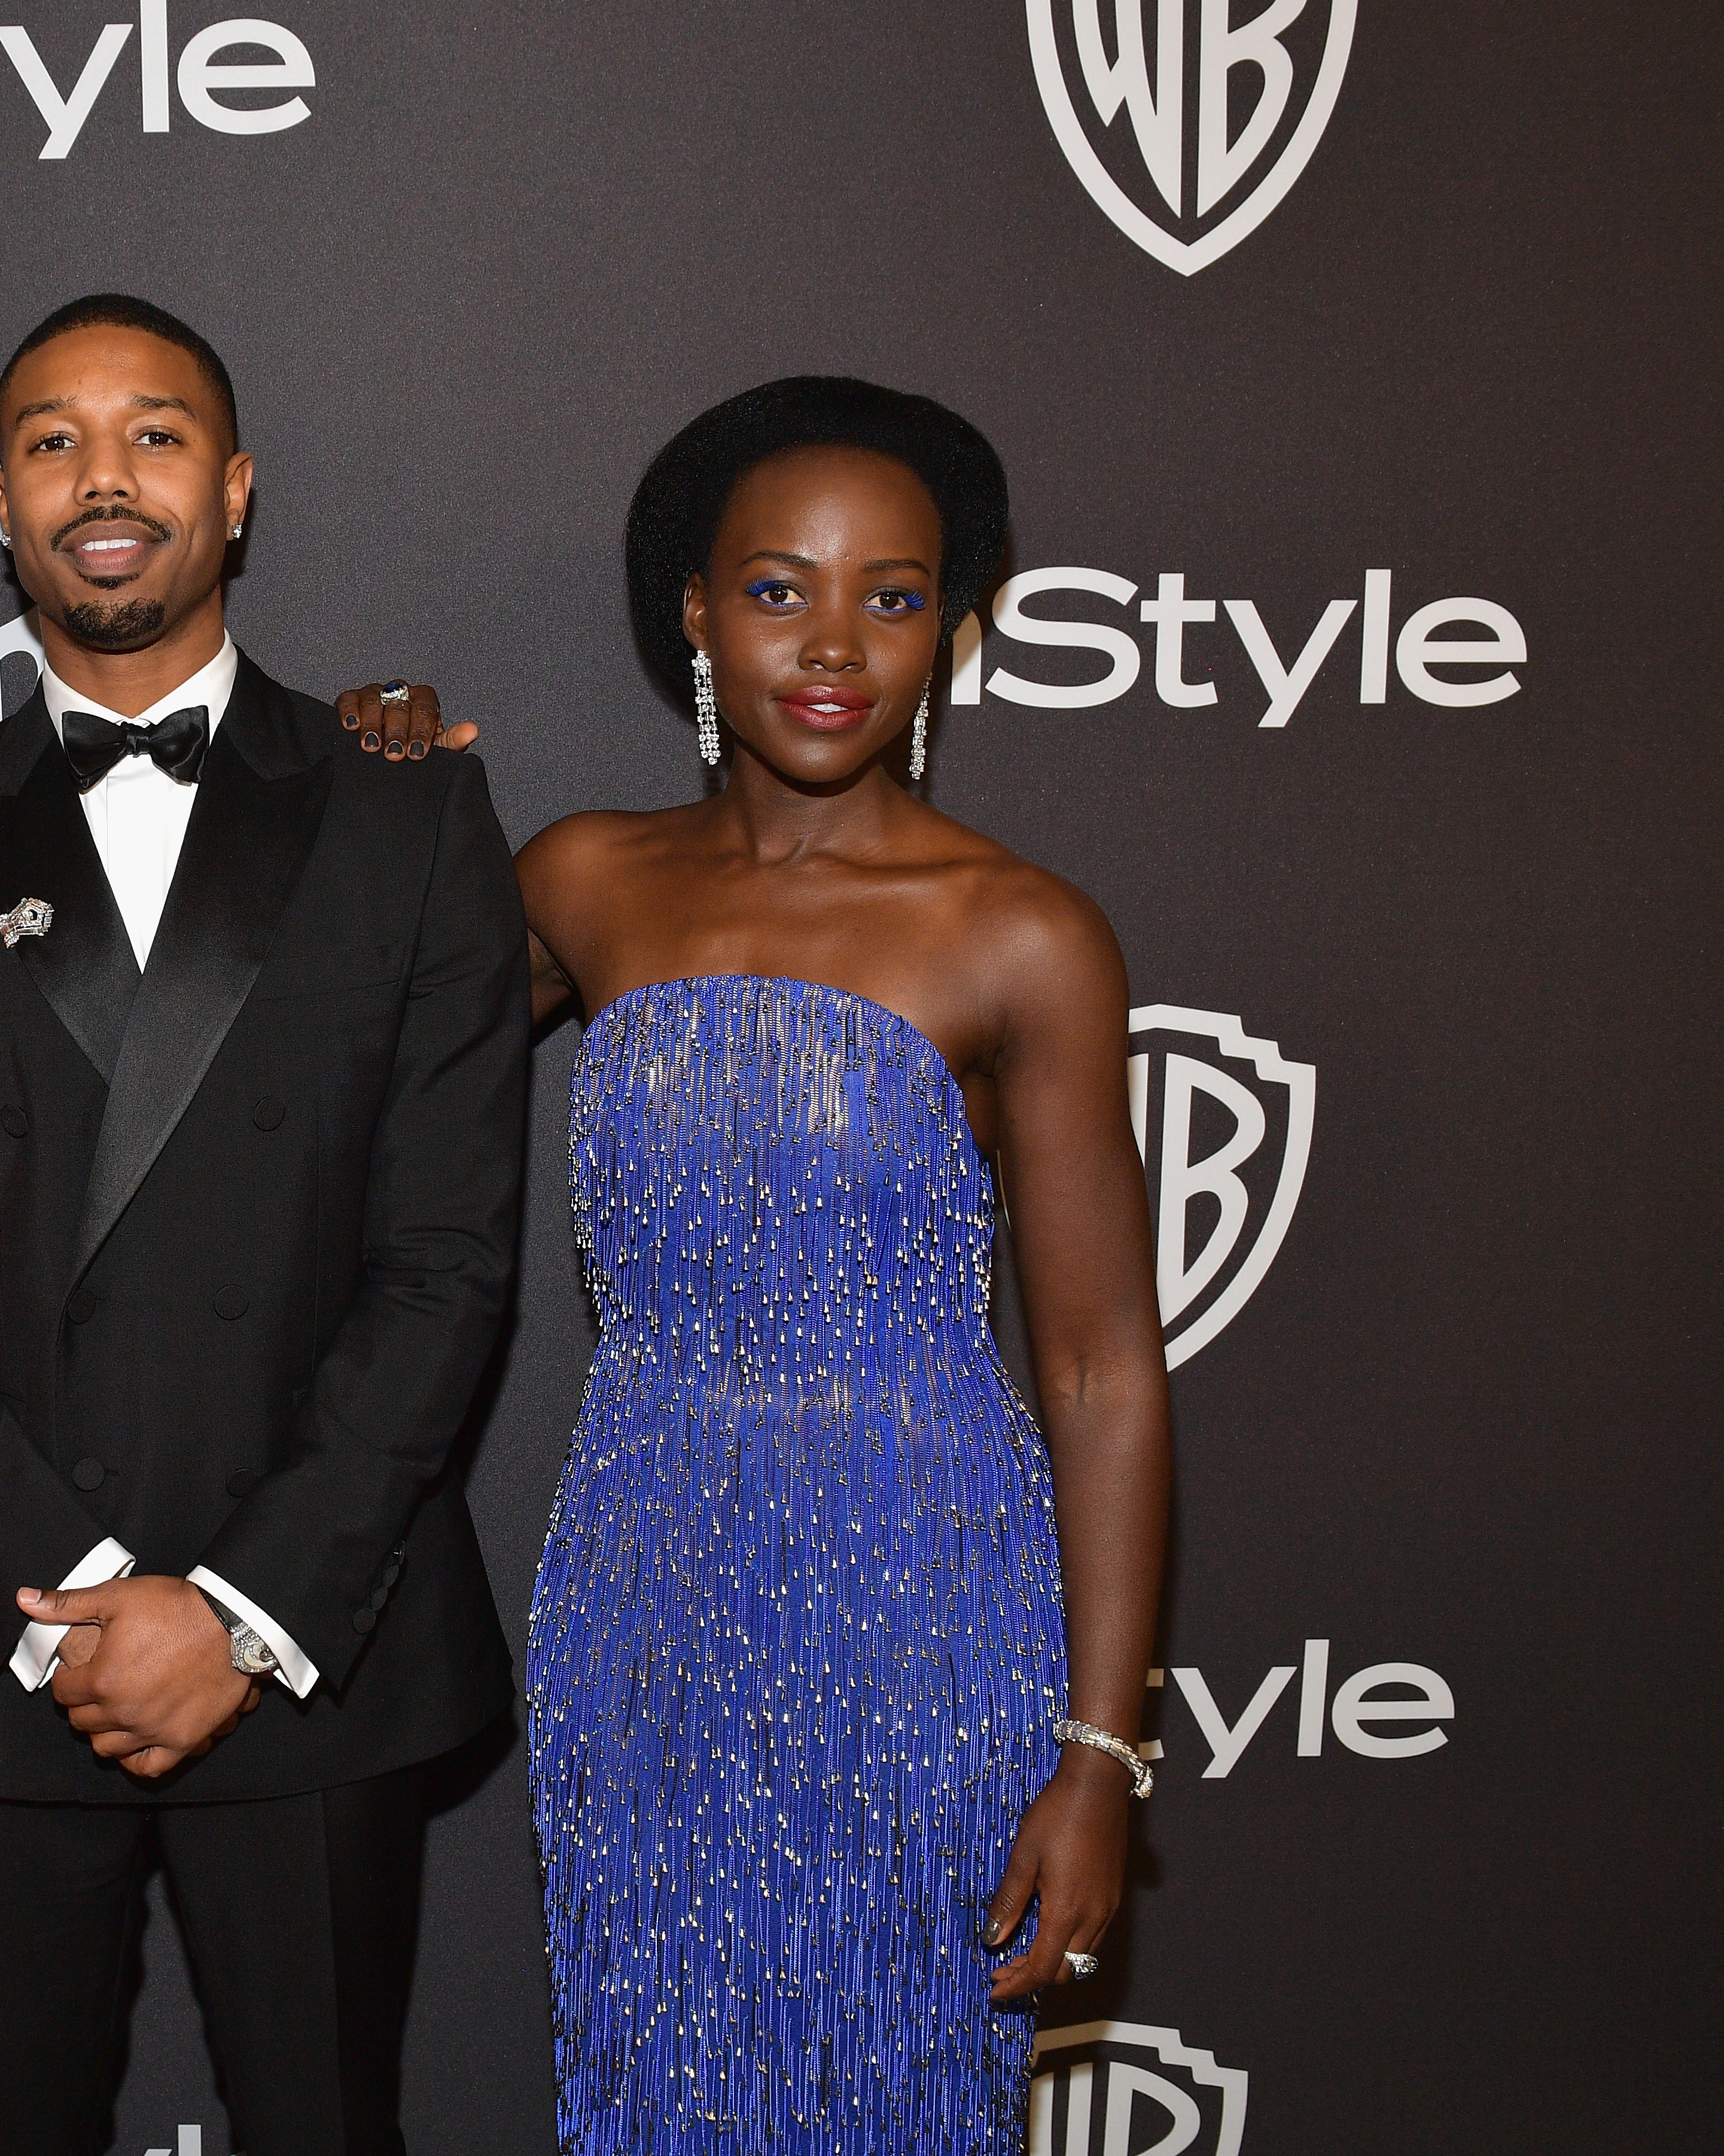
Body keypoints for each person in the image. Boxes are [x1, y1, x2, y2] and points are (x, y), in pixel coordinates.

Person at [0, 293, 529, 2156]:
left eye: (155, 433)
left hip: (306, 1646)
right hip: (6, 1643)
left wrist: (235, 1611)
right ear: (5, 508)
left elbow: (448, 1265)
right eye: (50, 439)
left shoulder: (410, 812)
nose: (102, 477)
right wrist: (78, 1608)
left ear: (239, 488)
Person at [516, 379, 1170, 2152]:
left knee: (892, 2083)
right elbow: (337, 1048)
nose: (832, 643)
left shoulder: (1020, 928)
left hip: (923, 1611)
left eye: (892, 596)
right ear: (694, 613)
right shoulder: (581, 878)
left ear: (951, 632)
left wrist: (1097, 1756)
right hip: (640, 1603)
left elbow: (1102, 1363)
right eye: (777, 587)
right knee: (655, 2079)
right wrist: (364, 787)